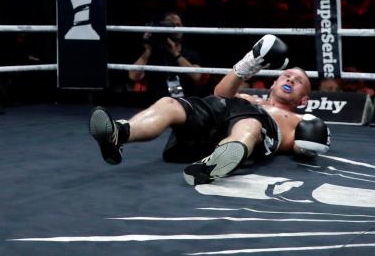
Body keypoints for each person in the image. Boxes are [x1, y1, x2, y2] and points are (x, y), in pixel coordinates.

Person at [90, 35, 331, 185]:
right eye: (286, 75)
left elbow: (301, 147)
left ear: (303, 100)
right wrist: (250, 62)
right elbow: (220, 95)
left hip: (248, 131)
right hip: (214, 120)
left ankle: (214, 164)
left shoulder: (297, 119)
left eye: (298, 81)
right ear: (273, 83)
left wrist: (312, 140)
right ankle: (119, 132)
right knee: (170, 104)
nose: (290, 79)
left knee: (250, 124)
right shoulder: (248, 97)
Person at [129, 13, 203, 98]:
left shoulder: (191, 54)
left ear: (183, 28)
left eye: (178, 25)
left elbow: (197, 76)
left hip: (184, 103)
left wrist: (175, 53)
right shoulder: (151, 53)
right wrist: (149, 49)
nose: (175, 28)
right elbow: (133, 76)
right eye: (170, 25)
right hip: (157, 103)